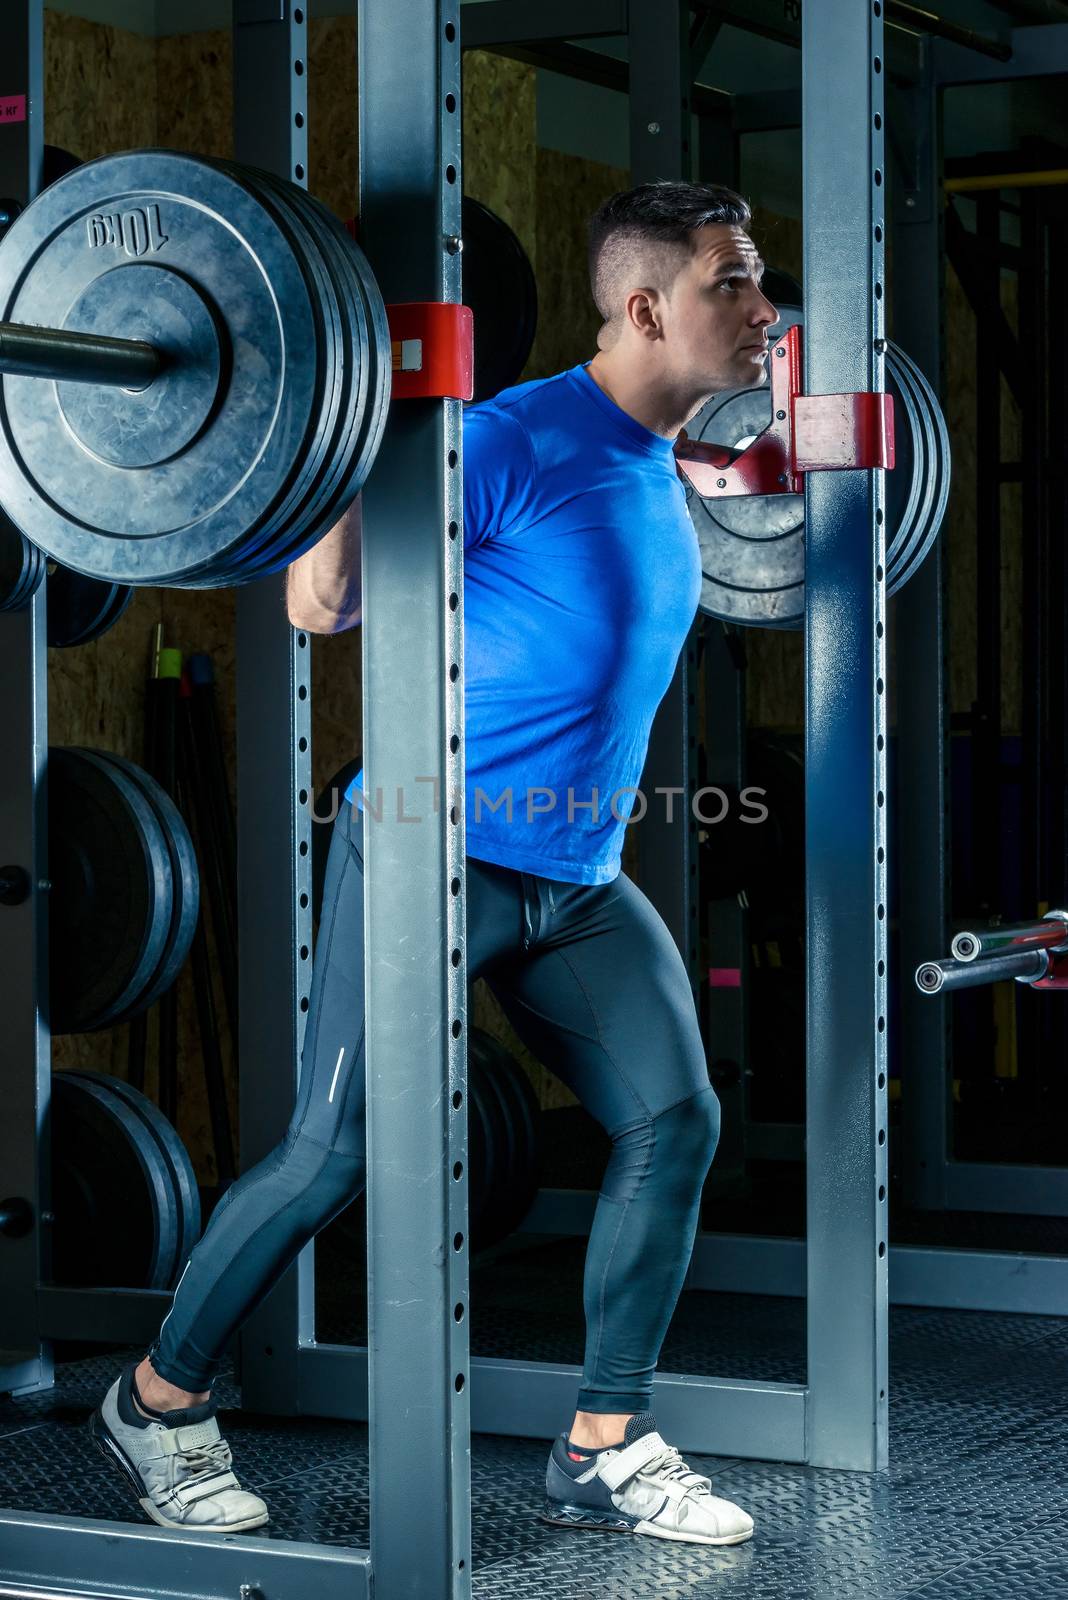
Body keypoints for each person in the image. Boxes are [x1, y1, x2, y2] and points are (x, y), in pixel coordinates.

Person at [92, 180, 776, 1548]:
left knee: (674, 1117)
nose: (764, 312)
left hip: (575, 876)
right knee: (332, 1154)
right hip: (429, 848)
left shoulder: (665, 457)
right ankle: (157, 1403)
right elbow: (318, 601)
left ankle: (604, 1439)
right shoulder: (508, 438)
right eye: (733, 285)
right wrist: (379, 421)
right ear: (646, 308)